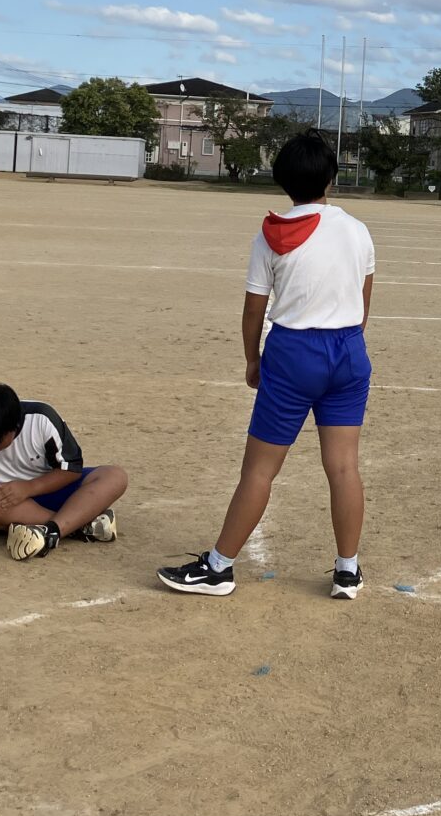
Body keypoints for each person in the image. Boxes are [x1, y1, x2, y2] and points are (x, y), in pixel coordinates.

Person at [158, 130, 375, 601]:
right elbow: (364, 299)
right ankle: (347, 570)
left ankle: (219, 568)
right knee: (343, 467)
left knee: (259, 470)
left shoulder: (272, 234)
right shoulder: (358, 230)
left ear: (282, 181)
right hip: (349, 352)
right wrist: (348, 346)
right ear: (331, 180)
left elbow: (254, 309)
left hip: (293, 353)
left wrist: (253, 360)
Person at [0, 383, 128, 561]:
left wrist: (29, 487)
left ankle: (50, 531)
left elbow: (71, 469)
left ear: (15, 426)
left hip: (45, 490)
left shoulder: (42, 420)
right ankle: (76, 525)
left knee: (114, 476)